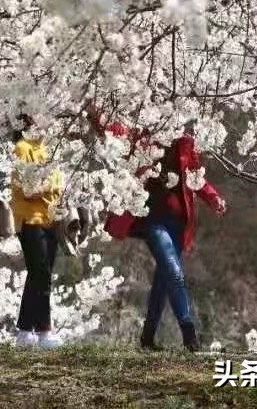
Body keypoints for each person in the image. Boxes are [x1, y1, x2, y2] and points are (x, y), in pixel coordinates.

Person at [89, 103, 226, 351]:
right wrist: (94, 110)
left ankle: (147, 337)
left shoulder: (185, 143)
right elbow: (113, 130)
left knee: (164, 278)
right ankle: (189, 334)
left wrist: (213, 197)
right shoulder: (141, 137)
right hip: (151, 216)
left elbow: (197, 178)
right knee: (172, 269)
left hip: (179, 220)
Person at [9, 115, 64, 349]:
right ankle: (41, 330)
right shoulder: (22, 148)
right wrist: (52, 186)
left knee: (40, 274)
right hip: (30, 219)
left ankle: (27, 331)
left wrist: (54, 187)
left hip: (51, 219)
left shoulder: (49, 149)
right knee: (40, 272)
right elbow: (28, 188)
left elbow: (59, 185)